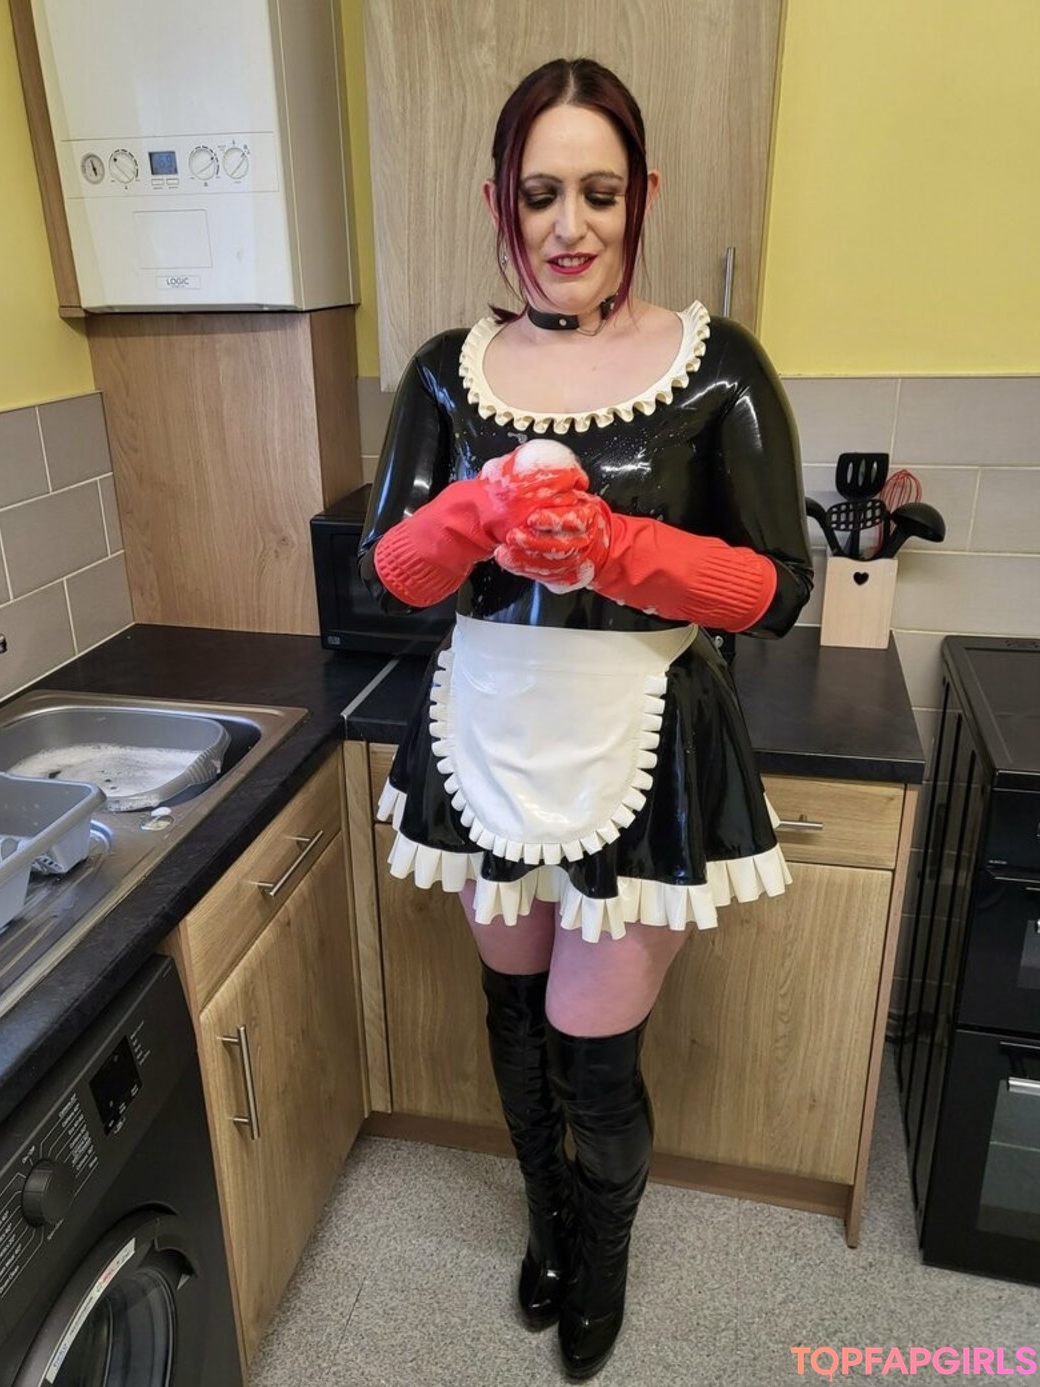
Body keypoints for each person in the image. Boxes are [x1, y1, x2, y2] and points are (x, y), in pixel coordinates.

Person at [358, 57, 813, 1381]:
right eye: (541, 193)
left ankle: (600, 1261)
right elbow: (392, 577)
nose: (569, 227)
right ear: (500, 201)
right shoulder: (446, 377)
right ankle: (549, 1228)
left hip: (647, 738)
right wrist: (473, 513)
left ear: (641, 196)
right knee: (512, 1015)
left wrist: (617, 548)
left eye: (599, 194)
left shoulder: (717, 370)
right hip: (487, 730)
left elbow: (776, 592)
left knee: (592, 1047)